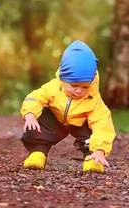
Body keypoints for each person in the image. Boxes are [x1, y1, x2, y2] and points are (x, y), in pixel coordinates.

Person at [20, 40, 116, 173]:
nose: (79, 91)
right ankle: (38, 153)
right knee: (39, 121)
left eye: (85, 87)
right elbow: (34, 97)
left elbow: (103, 124)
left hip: (80, 122)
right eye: (74, 85)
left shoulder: (93, 98)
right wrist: (30, 114)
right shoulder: (53, 87)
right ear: (63, 79)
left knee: (92, 129)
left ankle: (93, 158)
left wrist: (100, 150)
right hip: (56, 120)